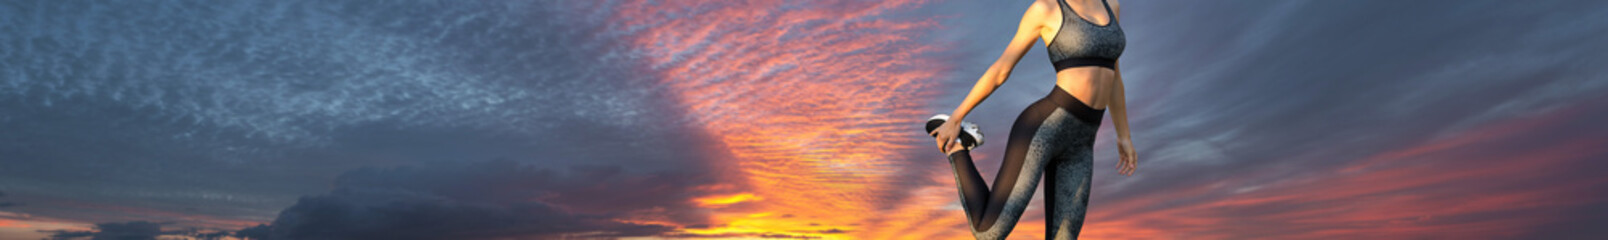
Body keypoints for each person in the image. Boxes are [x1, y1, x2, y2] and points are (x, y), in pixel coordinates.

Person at [927, 0, 1137, 239]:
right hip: (1043, 130)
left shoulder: (1111, 6)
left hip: (1083, 141)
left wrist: (1124, 135)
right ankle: (959, 148)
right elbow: (1001, 69)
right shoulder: (1046, 9)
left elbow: (1115, 78)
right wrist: (957, 116)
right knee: (988, 233)